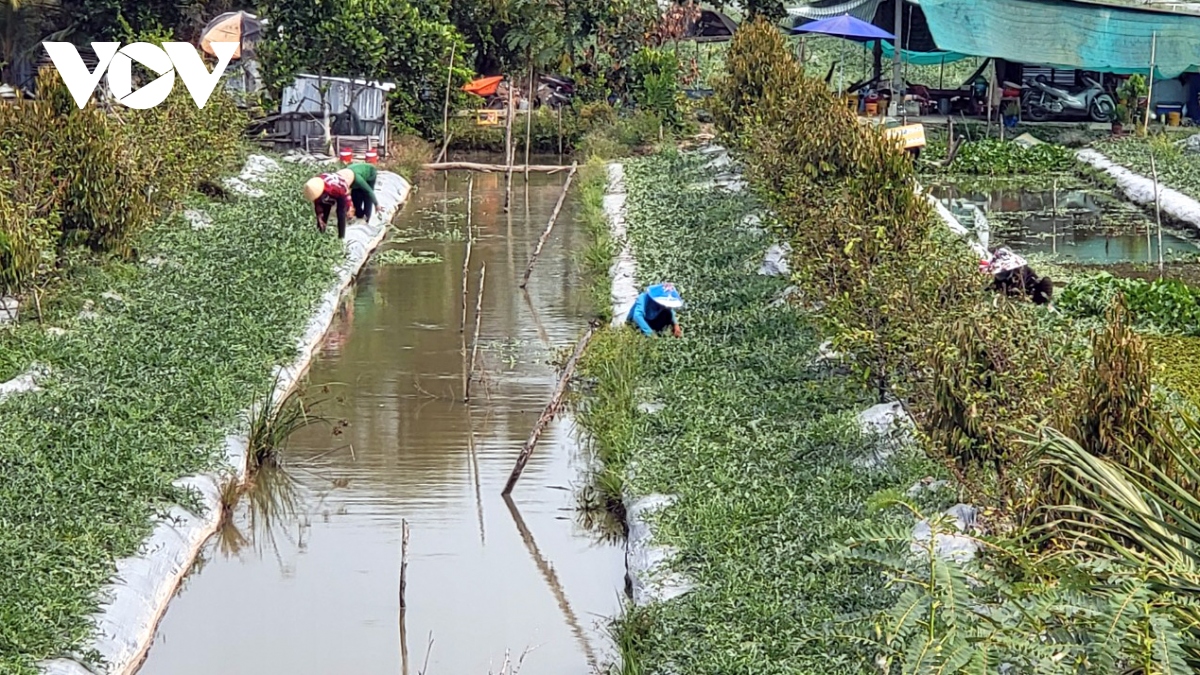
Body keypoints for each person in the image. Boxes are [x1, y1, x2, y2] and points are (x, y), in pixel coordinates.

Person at [302, 162, 379, 239]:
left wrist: (349, 208)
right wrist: (319, 218)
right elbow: (318, 206)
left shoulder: (337, 186)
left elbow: (348, 194)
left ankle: (341, 237)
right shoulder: (315, 188)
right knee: (324, 211)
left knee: (341, 212)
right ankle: (320, 234)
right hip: (328, 190)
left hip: (341, 190)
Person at [981, 247, 1053, 305]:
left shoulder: (1019, 273)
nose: (1000, 275)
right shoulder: (997, 276)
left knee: (1046, 283)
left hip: (1030, 294)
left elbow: (1015, 292)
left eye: (1002, 273)